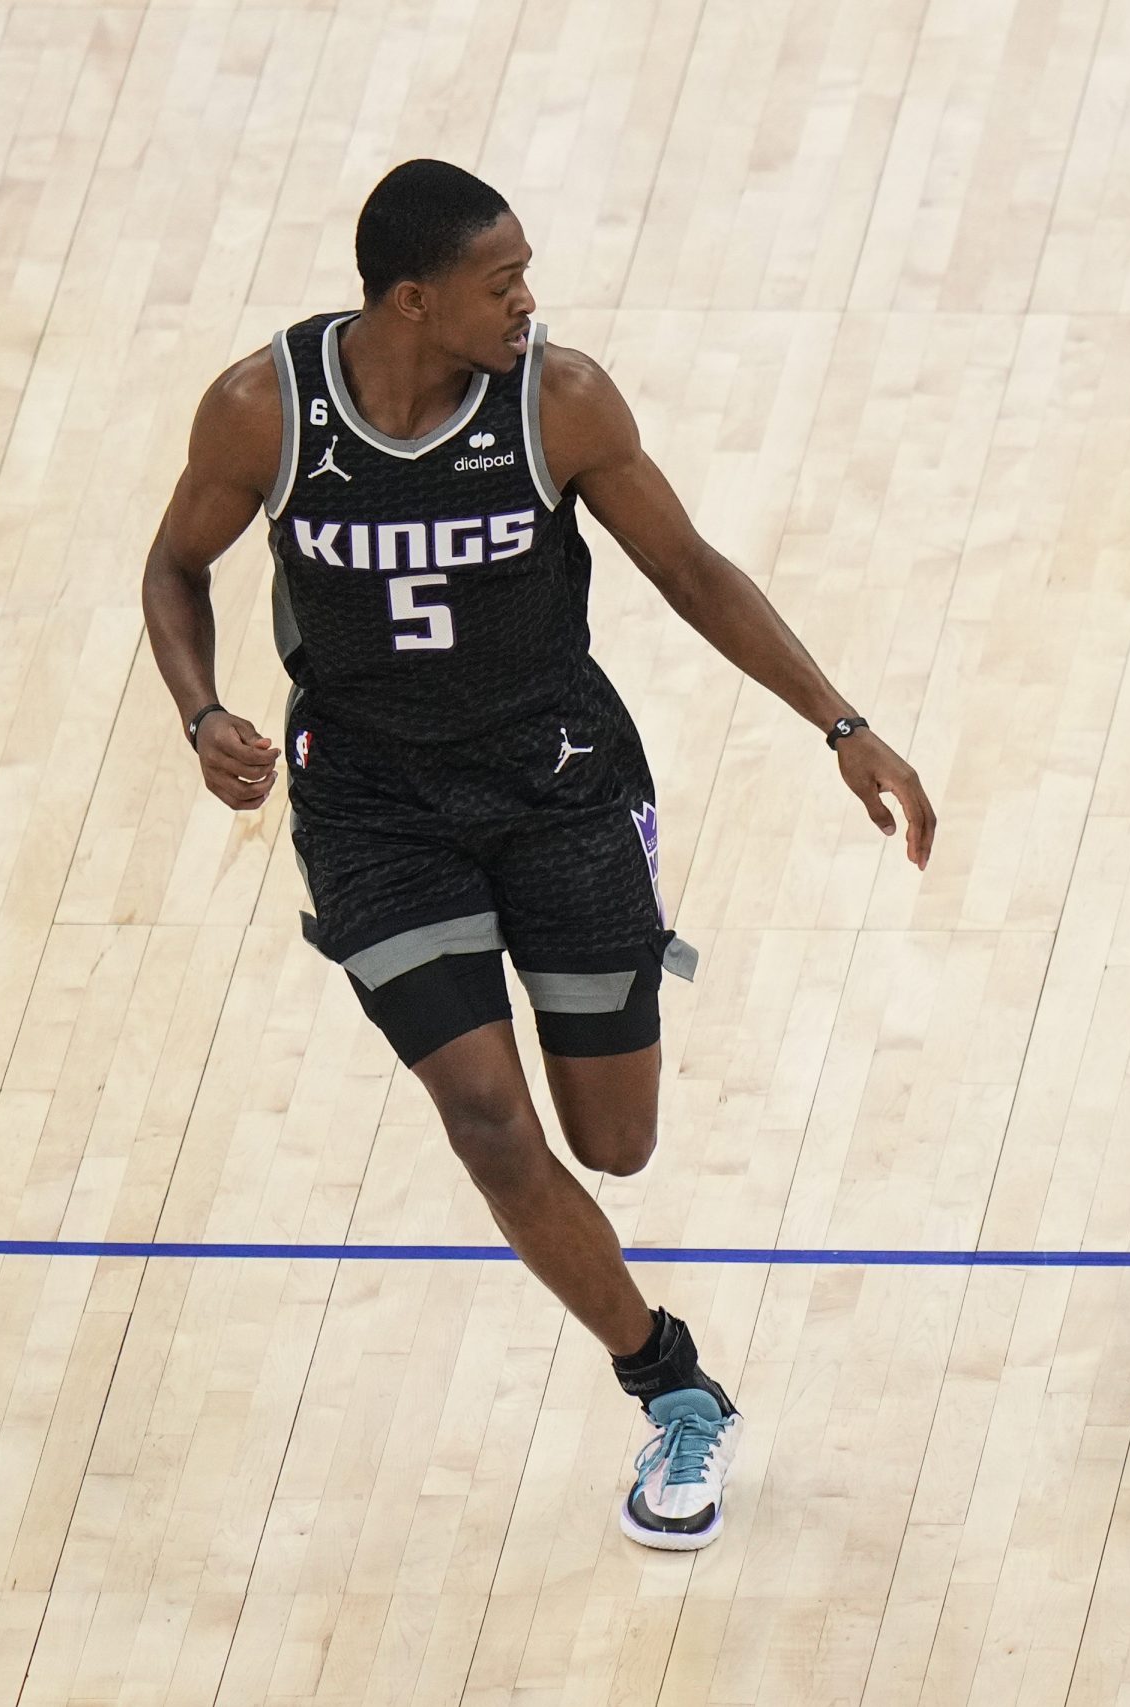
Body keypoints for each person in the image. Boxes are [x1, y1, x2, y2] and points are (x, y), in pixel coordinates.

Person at [140, 159, 936, 1551]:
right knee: (489, 1127)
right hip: (372, 808)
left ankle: (616, 957)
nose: (529, 300)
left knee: (612, 1144)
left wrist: (841, 723)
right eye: (502, 281)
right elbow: (172, 567)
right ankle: (674, 1386)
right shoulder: (262, 409)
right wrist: (201, 712)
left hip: (557, 783)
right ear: (412, 297)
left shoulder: (557, 401)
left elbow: (689, 570)